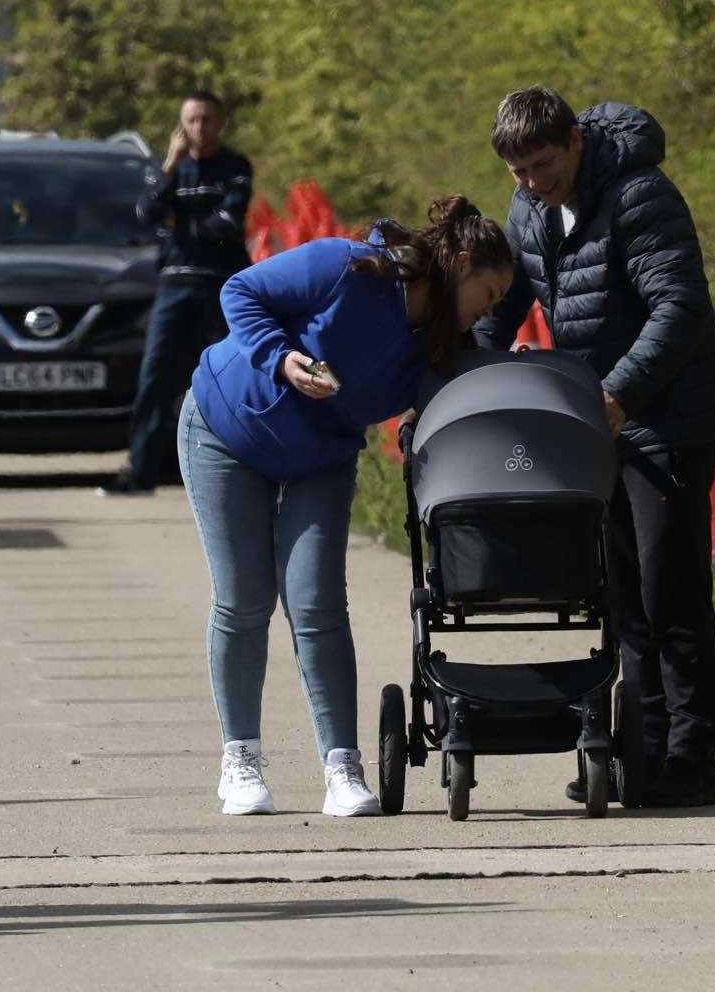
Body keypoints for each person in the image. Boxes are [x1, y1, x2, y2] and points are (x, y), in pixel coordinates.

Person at [185, 196, 513, 817]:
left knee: (316, 603)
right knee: (245, 596)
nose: (488, 311)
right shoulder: (348, 267)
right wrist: (282, 359)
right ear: (460, 263)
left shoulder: (439, 344)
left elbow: (464, 390)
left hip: (320, 456)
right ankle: (241, 762)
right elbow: (240, 291)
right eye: (488, 294)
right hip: (226, 428)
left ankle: (343, 769)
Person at [474, 88, 715, 809]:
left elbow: (678, 306)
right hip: (597, 418)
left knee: (667, 586)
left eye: (543, 165)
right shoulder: (528, 209)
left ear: (576, 142)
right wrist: (461, 375)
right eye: (517, 171)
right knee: (619, 592)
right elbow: (505, 302)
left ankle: (692, 754)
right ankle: (637, 752)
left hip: (667, 414)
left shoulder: (641, 195)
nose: (531, 182)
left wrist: (619, 394)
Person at [99, 91, 252, 496]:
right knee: (155, 376)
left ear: (220, 123)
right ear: (180, 127)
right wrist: (170, 165)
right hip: (174, 284)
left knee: (228, 375)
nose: (198, 128)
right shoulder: (168, 170)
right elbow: (147, 212)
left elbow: (227, 223)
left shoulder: (234, 168)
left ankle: (238, 466)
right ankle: (141, 470)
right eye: (191, 121)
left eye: (206, 120)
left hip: (221, 284)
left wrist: (179, 222)